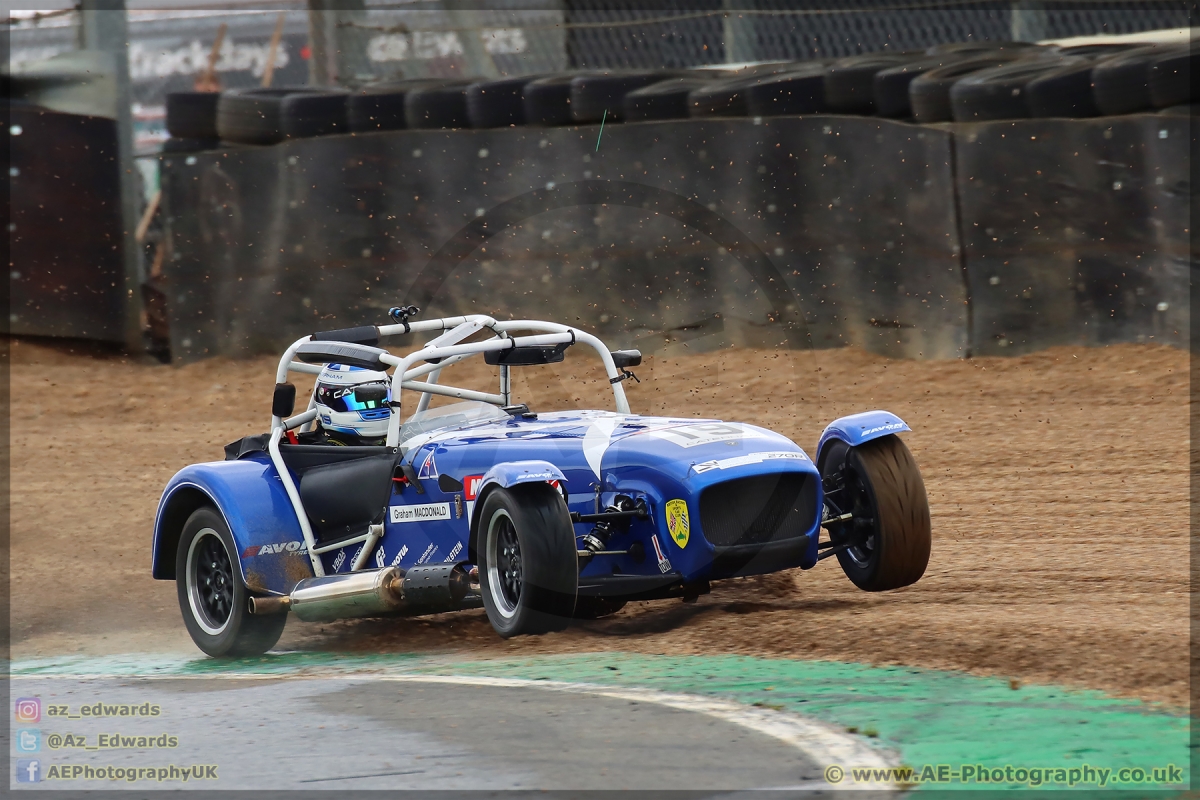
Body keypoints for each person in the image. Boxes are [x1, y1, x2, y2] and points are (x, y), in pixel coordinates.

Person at [312, 363, 392, 446]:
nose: (377, 410)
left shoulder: (399, 438)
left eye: (383, 398)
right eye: (358, 404)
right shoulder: (321, 456)